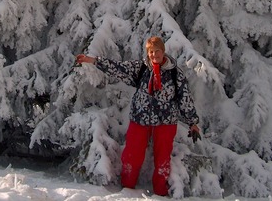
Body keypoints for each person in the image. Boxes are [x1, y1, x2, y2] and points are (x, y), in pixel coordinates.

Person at [75, 36, 200, 196]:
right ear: (148, 53)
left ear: (163, 52)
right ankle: (127, 190)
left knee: (162, 160)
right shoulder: (141, 68)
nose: (154, 55)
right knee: (131, 156)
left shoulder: (175, 74)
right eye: (151, 52)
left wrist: (192, 122)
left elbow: (185, 98)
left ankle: (160, 193)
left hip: (166, 122)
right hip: (140, 118)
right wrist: (92, 60)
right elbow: (118, 68)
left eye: (157, 51)